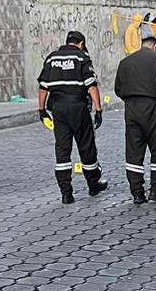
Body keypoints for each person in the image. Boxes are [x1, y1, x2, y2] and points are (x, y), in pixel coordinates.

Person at [38, 31, 108, 204]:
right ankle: (93, 185)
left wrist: (41, 110)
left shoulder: (51, 58)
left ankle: (66, 193)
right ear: (81, 43)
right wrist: (98, 109)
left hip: (58, 109)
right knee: (86, 146)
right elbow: (91, 85)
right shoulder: (81, 57)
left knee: (62, 150)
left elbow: (43, 87)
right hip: (78, 107)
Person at [114, 35, 156, 204]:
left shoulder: (125, 62)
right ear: (155, 46)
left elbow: (118, 89)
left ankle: (137, 192)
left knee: (134, 151)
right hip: (152, 107)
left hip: (131, 108)